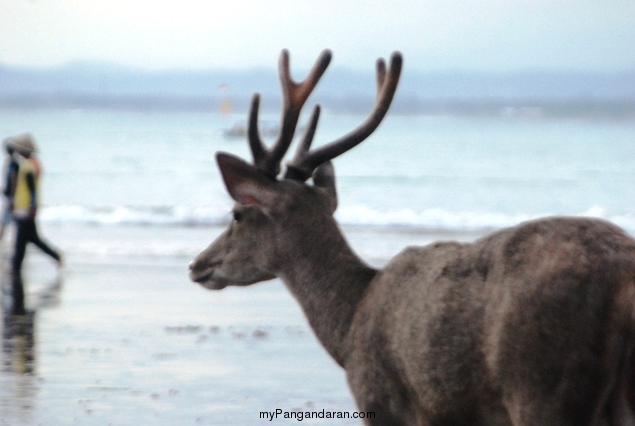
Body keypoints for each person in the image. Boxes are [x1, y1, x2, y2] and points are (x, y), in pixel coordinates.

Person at [6, 133, 63, 277]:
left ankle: (16, 267)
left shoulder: (28, 166)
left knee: (24, 239)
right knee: (29, 238)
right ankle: (17, 266)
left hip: (24, 208)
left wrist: (32, 207)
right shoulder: (34, 163)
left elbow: (31, 190)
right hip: (24, 207)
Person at [0, 140, 19, 240]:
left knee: (5, 221)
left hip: (11, 197)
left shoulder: (13, 164)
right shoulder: (11, 163)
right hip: (11, 196)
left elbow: (14, 181)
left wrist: (12, 195)